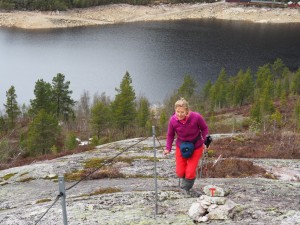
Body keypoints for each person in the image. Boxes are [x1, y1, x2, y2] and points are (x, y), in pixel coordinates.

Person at [163, 97, 209, 196]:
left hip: (196, 146)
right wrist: (168, 148)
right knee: (180, 172)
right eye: (177, 111)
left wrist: (206, 141)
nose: (179, 114)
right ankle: (185, 184)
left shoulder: (196, 117)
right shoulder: (173, 120)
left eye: (182, 112)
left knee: (190, 171)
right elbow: (170, 135)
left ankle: (185, 188)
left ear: (187, 111)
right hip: (181, 146)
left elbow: (204, 128)